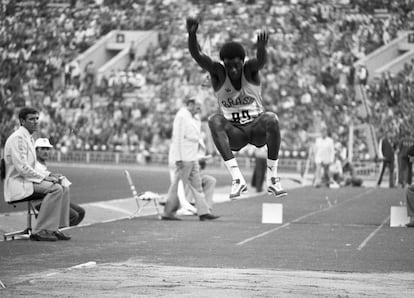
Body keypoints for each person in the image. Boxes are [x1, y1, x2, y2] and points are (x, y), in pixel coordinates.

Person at [186, 17, 287, 199]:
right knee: (213, 120)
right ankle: (237, 179)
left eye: (236, 65)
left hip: (256, 129)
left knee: (272, 118)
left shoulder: (250, 70)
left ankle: (272, 178)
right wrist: (192, 35)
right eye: (229, 65)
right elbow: (198, 56)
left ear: (243, 61)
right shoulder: (218, 72)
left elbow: (261, 62)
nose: (233, 69)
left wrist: (261, 48)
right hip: (235, 133)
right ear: (223, 63)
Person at [3, 107, 70, 241]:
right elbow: (22, 168)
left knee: (63, 184)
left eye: (37, 119)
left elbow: (31, 167)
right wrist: (45, 178)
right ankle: (39, 230)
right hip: (18, 182)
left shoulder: (28, 137)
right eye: (31, 119)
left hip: (26, 179)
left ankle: (54, 227)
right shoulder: (18, 138)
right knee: (55, 189)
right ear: (22, 121)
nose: (35, 122)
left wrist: (50, 175)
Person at [162, 98, 220, 221]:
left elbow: (196, 137)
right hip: (183, 157)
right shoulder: (181, 116)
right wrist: (178, 158)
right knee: (178, 185)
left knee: (197, 185)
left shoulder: (196, 118)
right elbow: (177, 138)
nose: (199, 108)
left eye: (200, 106)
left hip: (192, 157)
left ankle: (203, 212)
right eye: (197, 105)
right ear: (189, 105)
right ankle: (168, 212)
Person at [34, 138, 85, 227]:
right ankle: (57, 229)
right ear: (36, 151)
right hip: (43, 199)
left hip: (53, 195)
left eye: (47, 149)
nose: (46, 151)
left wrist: (53, 176)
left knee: (80, 212)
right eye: (42, 149)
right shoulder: (34, 165)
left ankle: (61, 228)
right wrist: (52, 178)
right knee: (74, 216)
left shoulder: (41, 165)